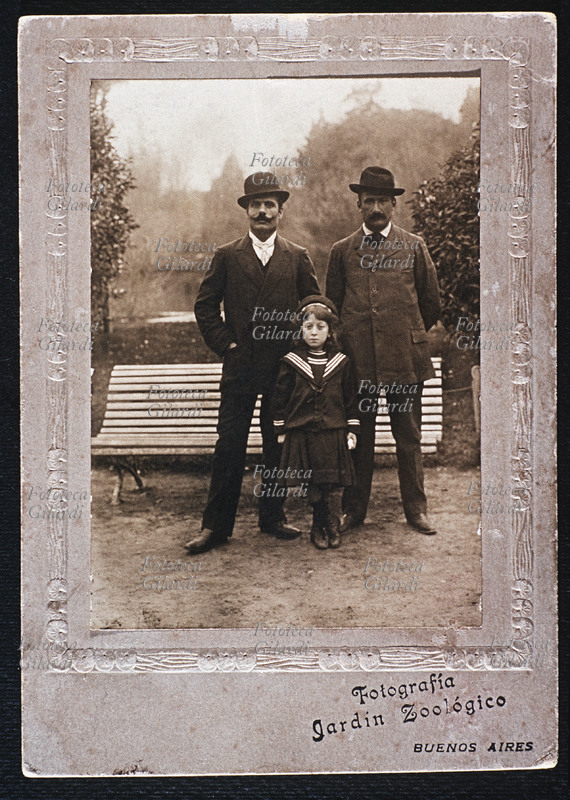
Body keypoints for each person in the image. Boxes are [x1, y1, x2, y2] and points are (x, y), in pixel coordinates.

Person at [185, 172, 320, 554]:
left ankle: (272, 517)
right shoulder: (227, 255)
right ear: (246, 210)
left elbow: (313, 309)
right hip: (240, 367)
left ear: (281, 211)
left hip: (282, 370)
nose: (263, 212)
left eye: (269, 205)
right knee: (229, 445)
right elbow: (205, 307)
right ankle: (215, 527)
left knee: (276, 445)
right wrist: (227, 344)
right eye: (256, 205)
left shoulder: (297, 256)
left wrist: (299, 352)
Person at [326, 166, 441, 535]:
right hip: (357, 362)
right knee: (358, 438)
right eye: (369, 201)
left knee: (408, 436)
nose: (376, 207)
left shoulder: (414, 246)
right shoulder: (342, 251)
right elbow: (332, 308)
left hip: (404, 359)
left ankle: (416, 511)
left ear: (394, 204)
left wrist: (403, 334)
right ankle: (353, 511)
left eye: (382, 201)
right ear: (359, 205)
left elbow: (431, 304)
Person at [271, 296, 360, 549]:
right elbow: (279, 398)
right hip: (303, 431)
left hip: (332, 430)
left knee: (329, 481)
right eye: (308, 327)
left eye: (320, 327)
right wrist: (280, 428)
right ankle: (321, 524)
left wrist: (352, 429)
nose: (313, 332)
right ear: (301, 329)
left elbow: (350, 399)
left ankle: (327, 524)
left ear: (330, 331)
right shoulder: (291, 362)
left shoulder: (341, 362)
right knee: (310, 480)